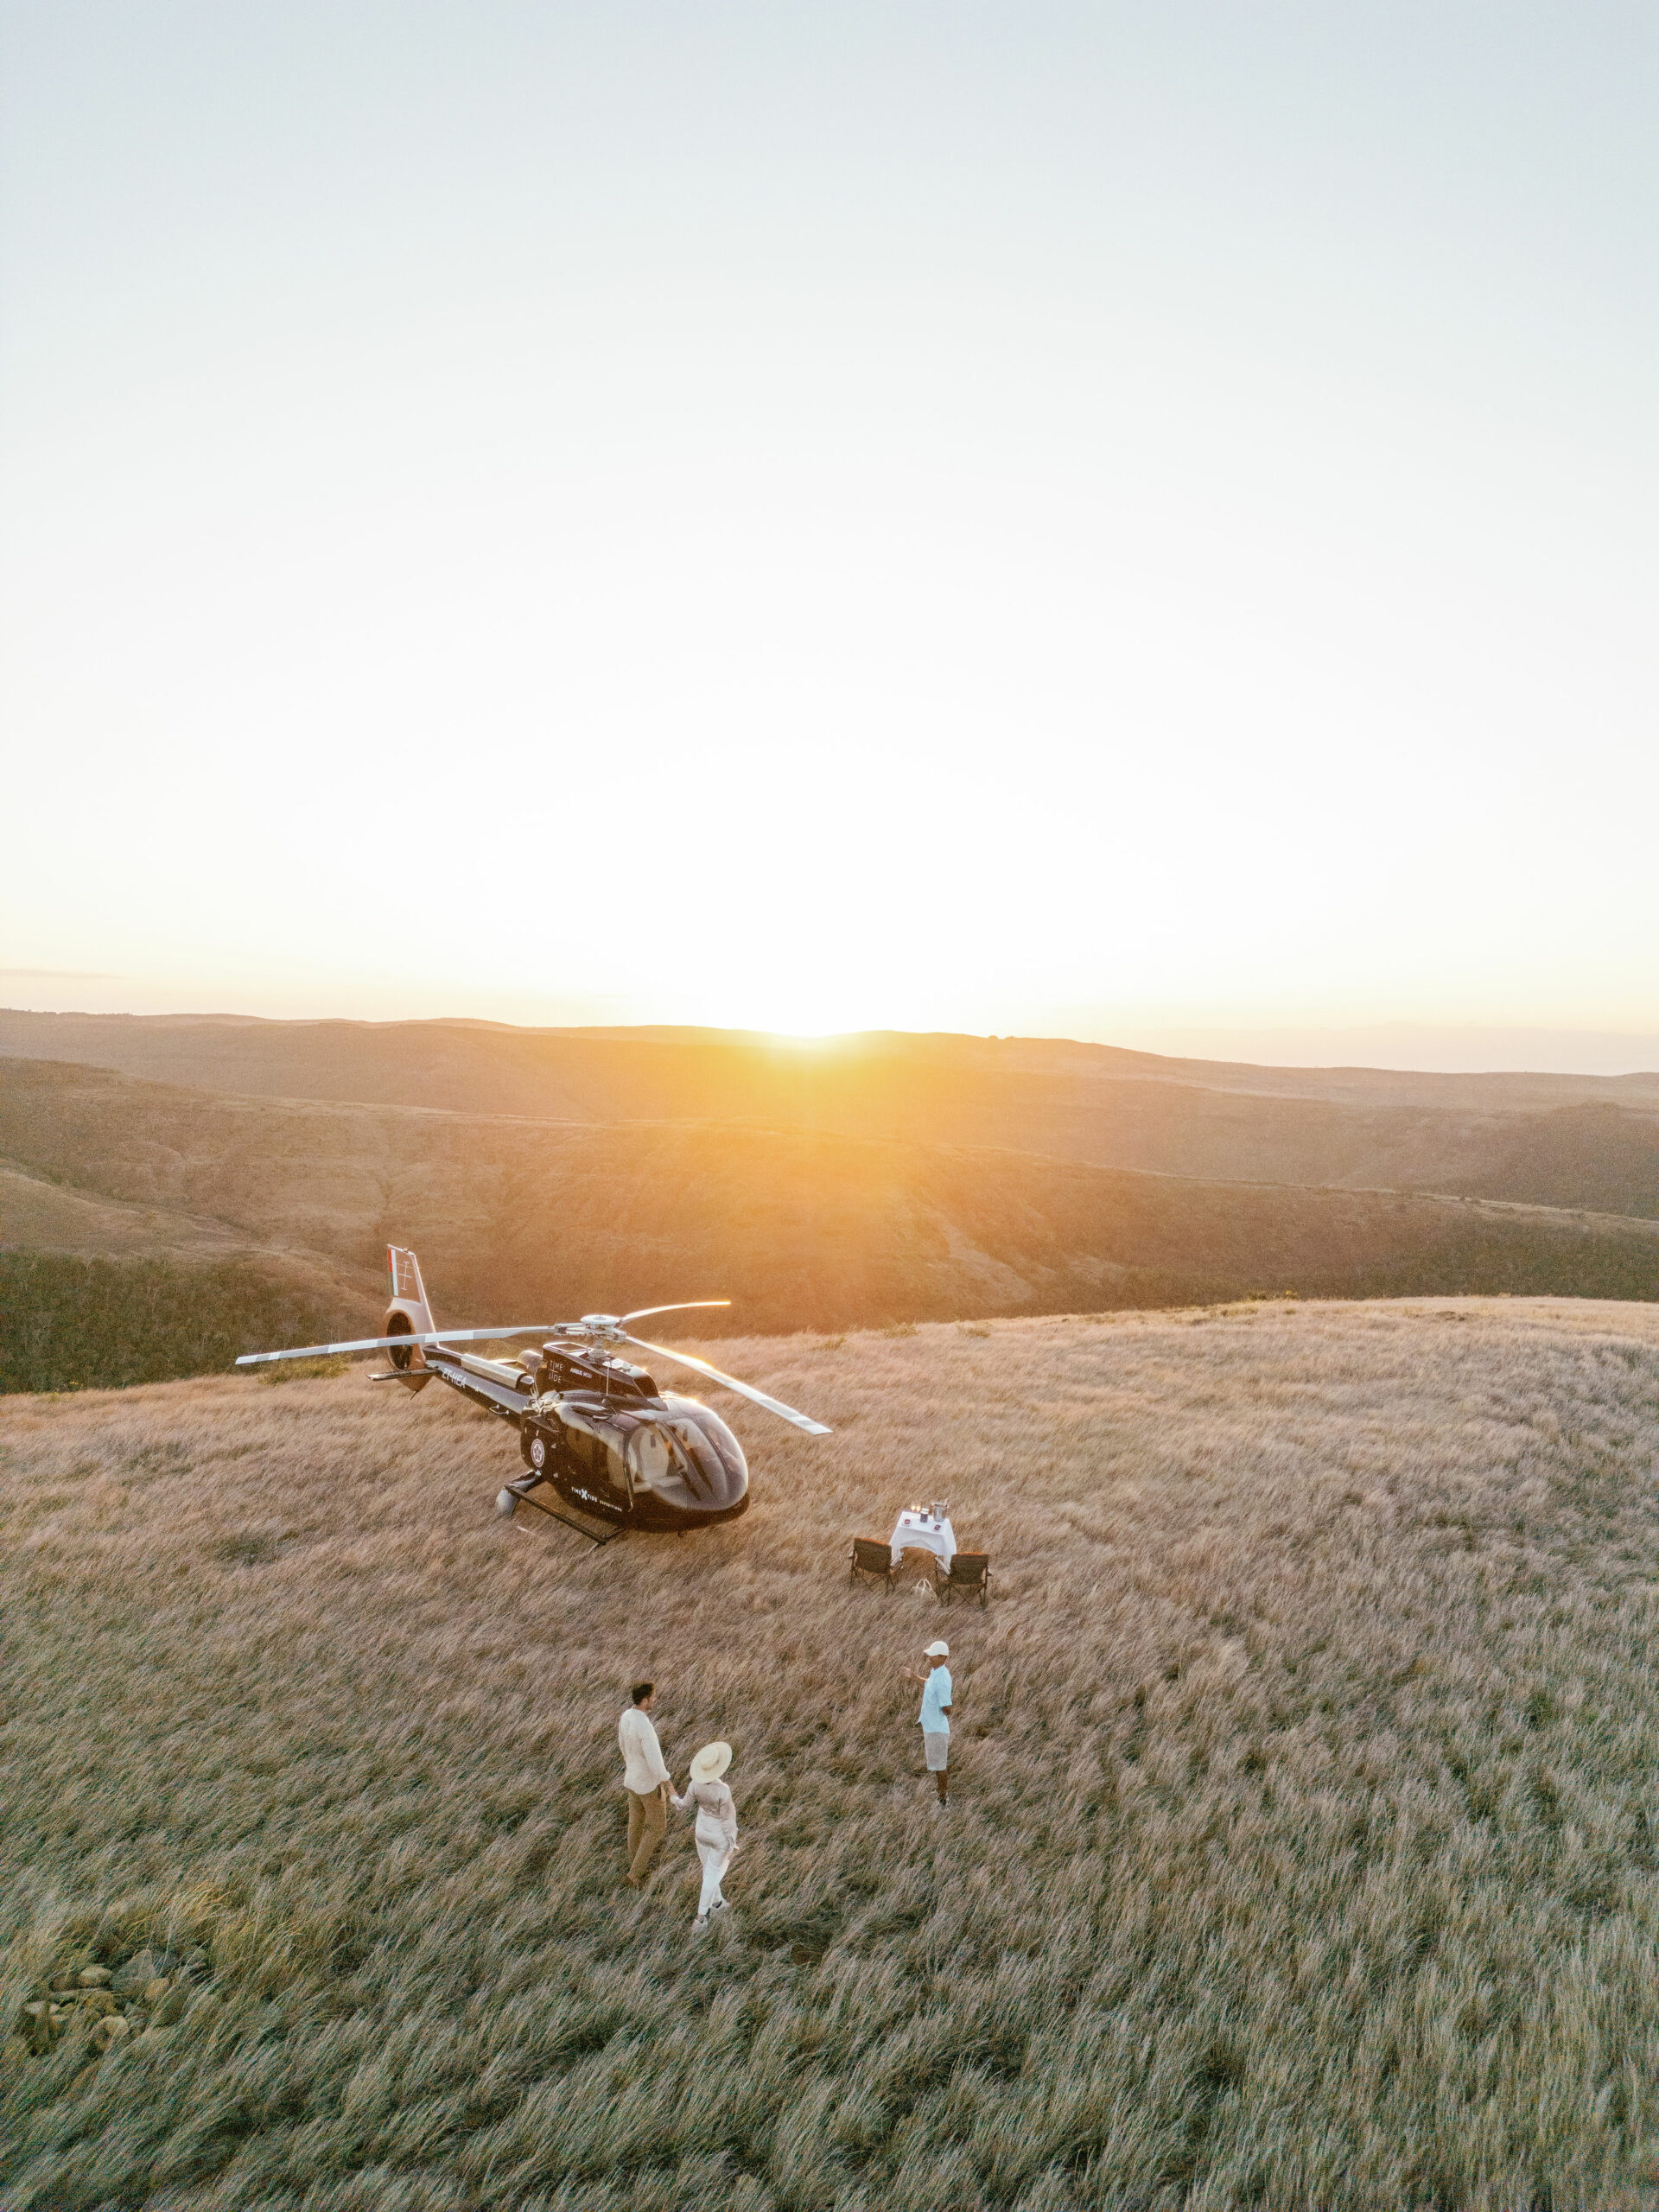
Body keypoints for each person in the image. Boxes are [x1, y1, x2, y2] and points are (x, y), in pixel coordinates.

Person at [671, 1741, 739, 1929]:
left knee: (708, 1869)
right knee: (711, 1875)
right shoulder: (723, 1791)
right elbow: (728, 1820)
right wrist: (732, 1843)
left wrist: (673, 1798)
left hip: (701, 1833)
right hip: (718, 1837)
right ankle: (701, 1918)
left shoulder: (695, 1784)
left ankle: (717, 1903)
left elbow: (684, 1805)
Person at [619, 1681, 673, 1887]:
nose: (656, 1700)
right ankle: (634, 1876)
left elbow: (622, 1745)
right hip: (648, 1785)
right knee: (658, 1827)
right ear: (645, 1700)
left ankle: (634, 1867)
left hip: (631, 1779)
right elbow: (656, 1763)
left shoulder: (626, 1716)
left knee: (636, 1825)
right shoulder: (645, 1727)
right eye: (653, 1697)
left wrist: (632, 1765)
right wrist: (669, 1785)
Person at [907, 1638, 954, 1807]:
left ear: (943, 1658)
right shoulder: (936, 1672)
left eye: (933, 1656)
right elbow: (928, 1684)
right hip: (931, 1726)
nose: (930, 1658)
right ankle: (941, 1797)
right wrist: (913, 1677)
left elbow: (947, 1708)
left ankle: (943, 1802)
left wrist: (944, 1708)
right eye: (930, 1655)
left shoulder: (942, 1679)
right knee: (937, 1765)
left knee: (940, 1767)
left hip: (937, 1729)